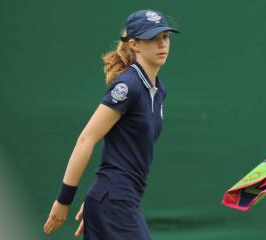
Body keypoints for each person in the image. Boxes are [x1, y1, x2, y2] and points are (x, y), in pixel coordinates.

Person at [42, 9, 179, 239]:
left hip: (115, 201)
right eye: (153, 38)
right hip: (115, 201)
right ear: (134, 44)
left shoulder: (158, 90)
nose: (161, 44)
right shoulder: (129, 86)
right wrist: (64, 200)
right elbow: (86, 139)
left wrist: (102, 200)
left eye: (165, 37)